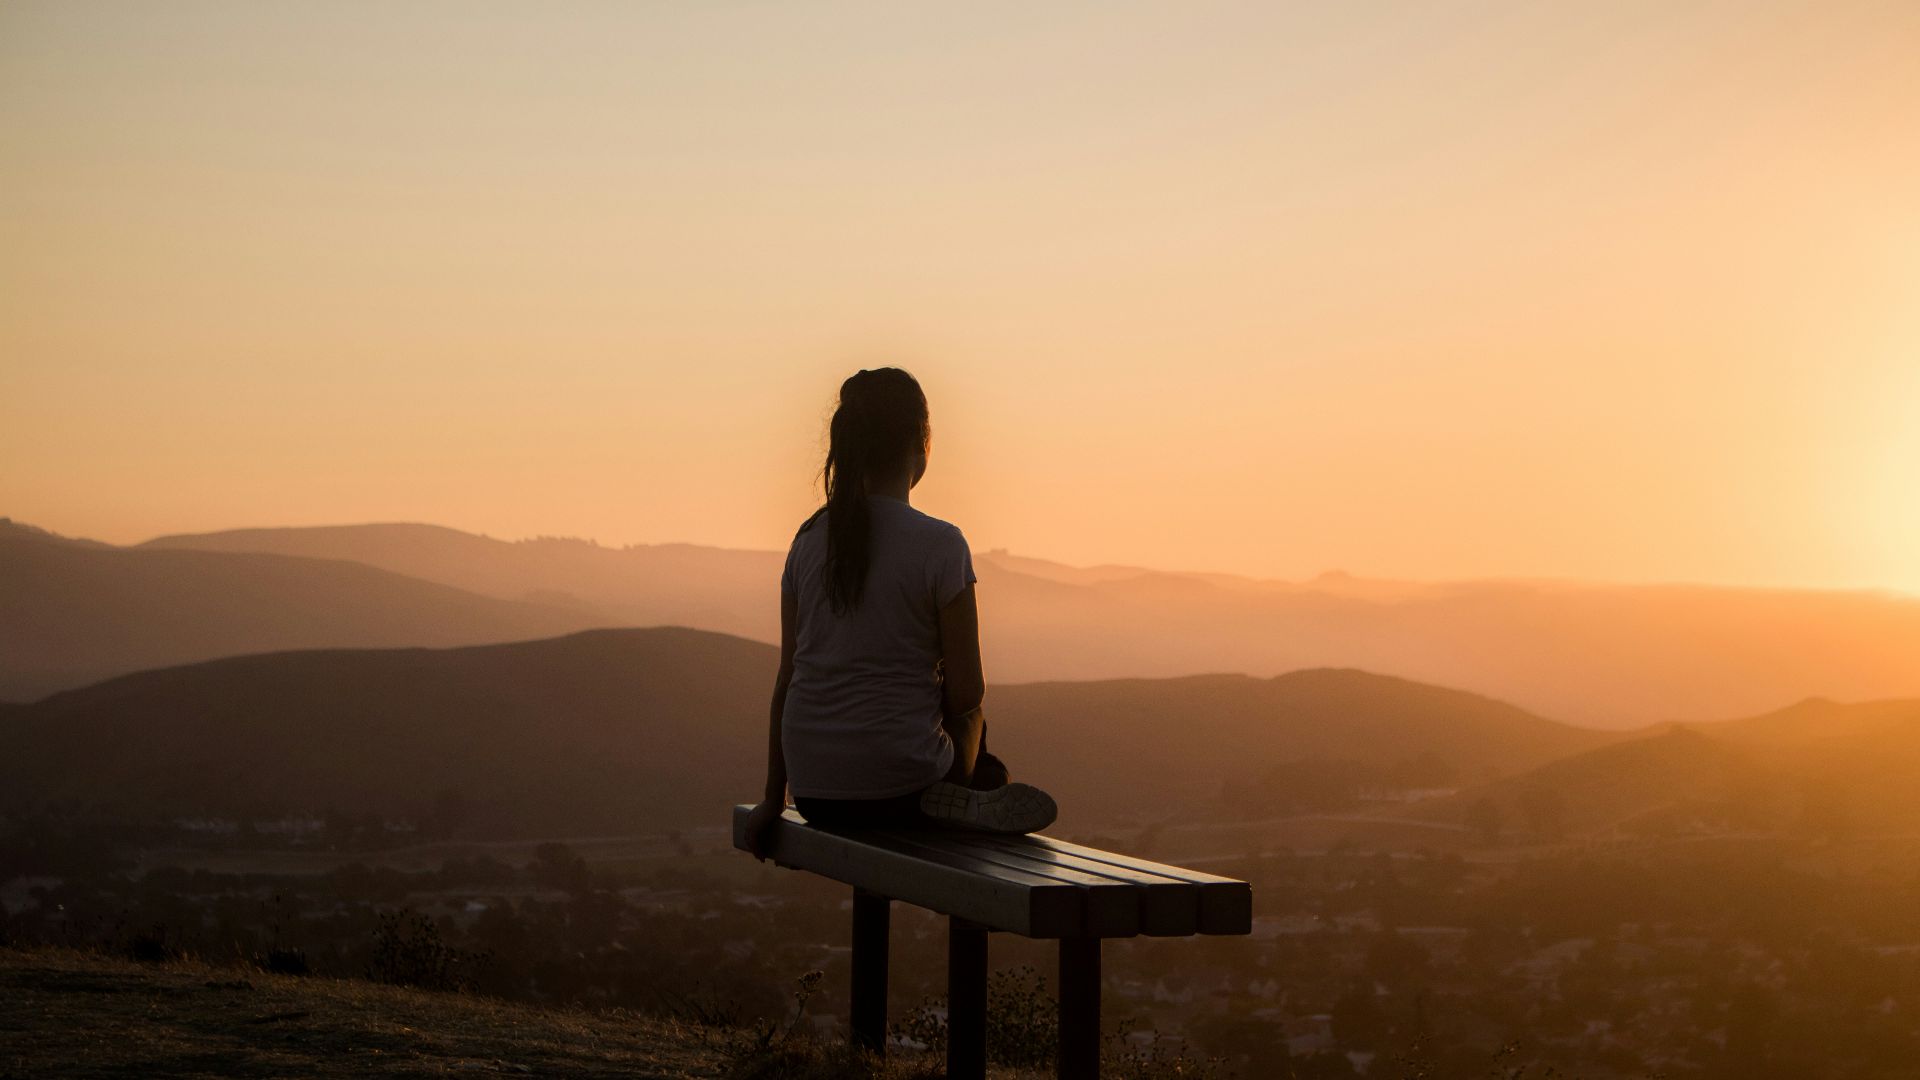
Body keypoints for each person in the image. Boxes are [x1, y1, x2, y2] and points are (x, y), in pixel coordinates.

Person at [742, 367, 1056, 859]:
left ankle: (961, 794)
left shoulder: (806, 541)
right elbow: (968, 692)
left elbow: (787, 679)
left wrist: (771, 800)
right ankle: (971, 794)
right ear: (921, 443)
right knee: (981, 740)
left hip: (816, 794)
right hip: (904, 789)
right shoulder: (941, 544)